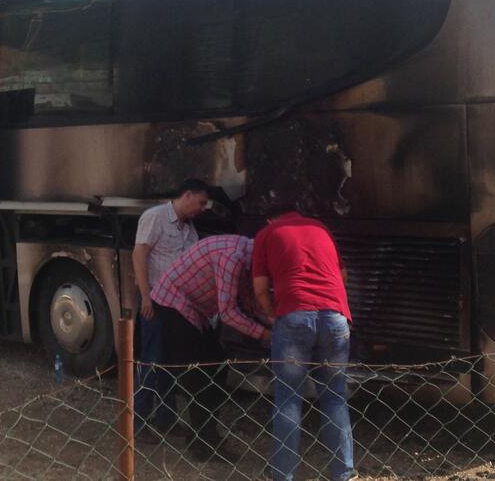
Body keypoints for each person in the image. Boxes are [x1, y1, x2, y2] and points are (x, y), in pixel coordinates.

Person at [252, 207, 356, 481]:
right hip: (336, 319)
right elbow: (343, 277)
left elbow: (260, 288)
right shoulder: (321, 228)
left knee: (288, 399)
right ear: (297, 213)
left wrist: (273, 314)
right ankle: (343, 474)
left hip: (294, 317)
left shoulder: (267, 233)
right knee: (334, 397)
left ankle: (283, 476)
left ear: (270, 217)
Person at [151, 234, 271, 460]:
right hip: (173, 304)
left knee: (218, 365)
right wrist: (265, 334)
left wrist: (276, 321)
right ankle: (203, 445)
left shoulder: (249, 257)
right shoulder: (233, 257)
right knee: (201, 375)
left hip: (194, 311)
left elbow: (250, 301)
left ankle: (204, 435)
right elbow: (228, 312)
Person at [132, 178, 209, 442]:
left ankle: (166, 418)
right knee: (151, 360)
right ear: (187, 195)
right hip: (155, 300)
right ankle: (138, 423)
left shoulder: (189, 230)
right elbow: (139, 254)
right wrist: (145, 297)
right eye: (200, 202)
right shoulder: (155, 218)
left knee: (168, 363)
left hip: (178, 306)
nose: (201, 208)